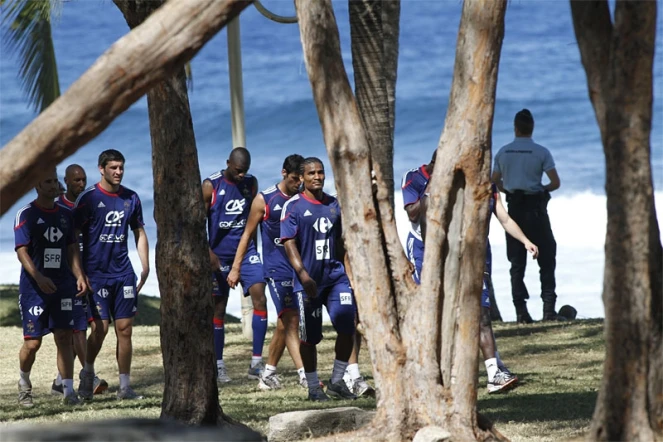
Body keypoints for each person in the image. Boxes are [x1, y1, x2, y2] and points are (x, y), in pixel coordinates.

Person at [421, 183, 537, 393]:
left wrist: (525, 241)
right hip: (452, 258)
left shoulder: (490, 187)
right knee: (451, 317)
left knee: (482, 314)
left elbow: (505, 219)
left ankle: (494, 373)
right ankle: (448, 373)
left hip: (479, 259)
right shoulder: (450, 183)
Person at [74, 150, 150, 400]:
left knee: (125, 329)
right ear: (101, 169)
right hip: (96, 274)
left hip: (123, 273)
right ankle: (88, 372)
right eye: (113, 168)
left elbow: (139, 231)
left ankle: (125, 387)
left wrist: (145, 265)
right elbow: (72, 239)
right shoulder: (88, 199)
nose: (118, 172)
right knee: (101, 328)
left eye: (121, 168)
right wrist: (79, 273)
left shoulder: (131, 198)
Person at [280, 157, 357, 401]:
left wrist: (350, 274)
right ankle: (314, 387)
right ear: (301, 178)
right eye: (311, 173)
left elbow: (341, 243)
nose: (317, 177)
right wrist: (302, 274)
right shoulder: (292, 207)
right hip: (307, 283)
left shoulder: (334, 205)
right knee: (310, 337)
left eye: (320, 172)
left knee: (348, 326)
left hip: (336, 278)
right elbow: (289, 243)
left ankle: (337, 382)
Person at [227, 154, 307, 390]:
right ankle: (305, 374)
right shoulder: (265, 200)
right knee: (290, 319)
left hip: (300, 269)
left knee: (286, 322)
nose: (298, 184)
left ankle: (269, 373)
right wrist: (236, 267)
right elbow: (247, 234)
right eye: (295, 179)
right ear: (284, 173)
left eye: (301, 180)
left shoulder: (303, 197)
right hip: (276, 268)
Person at [14, 168, 89, 406]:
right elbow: (21, 251)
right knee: (33, 343)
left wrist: (78, 274)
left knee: (64, 336)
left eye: (55, 181)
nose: (53, 186)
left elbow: (71, 248)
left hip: (63, 285)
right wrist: (37, 277)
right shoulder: (25, 213)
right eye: (48, 181)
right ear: (37, 185)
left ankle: (68, 391)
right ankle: (24, 384)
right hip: (34, 288)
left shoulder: (66, 214)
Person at [203, 147, 268, 383]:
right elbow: (196, 223)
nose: (242, 175)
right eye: (238, 170)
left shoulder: (250, 184)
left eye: (245, 171)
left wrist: (255, 249)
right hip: (218, 256)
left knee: (260, 298)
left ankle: (256, 364)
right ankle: (219, 365)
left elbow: (254, 220)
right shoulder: (211, 185)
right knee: (218, 308)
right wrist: (208, 253)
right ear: (228, 163)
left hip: (247, 252)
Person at [492, 109, 561, 322]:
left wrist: (508, 190)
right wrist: (542, 190)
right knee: (547, 257)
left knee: (517, 263)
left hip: (514, 209)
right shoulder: (541, 152)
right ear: (532, 128)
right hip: (536, 210)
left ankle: (521, 312)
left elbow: (494, 181)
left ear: (515, 128)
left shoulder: (504, 152)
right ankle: (548, 310)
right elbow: (555, 182)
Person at [52, 164, 109, 397]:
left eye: (84, 180)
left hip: (89, 273)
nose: (81, 184)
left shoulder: (89, 203)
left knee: (92, 328)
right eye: (76, 180)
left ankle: (59, 381)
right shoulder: (58, 207)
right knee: (77, 329)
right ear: (66, 181)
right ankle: (89, 375)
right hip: (67, 277)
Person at [401, 152, 435, 284]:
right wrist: (430, 189)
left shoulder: (453, 178)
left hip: (445, 242)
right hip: (419, 242)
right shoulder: (412, 177)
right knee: (421, 288)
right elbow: (412, 215)